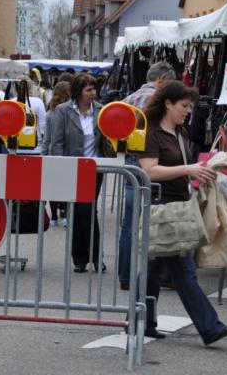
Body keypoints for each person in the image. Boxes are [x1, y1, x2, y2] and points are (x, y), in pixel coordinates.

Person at [139, 80, 227, 344]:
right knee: (183, 272)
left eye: (189, 106)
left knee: (153, 270)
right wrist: (189, 169)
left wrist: (200, 172)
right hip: (161, 208)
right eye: (184, 105)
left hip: (177, 207)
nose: (188, 111)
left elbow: (180, 168)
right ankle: (210, 327)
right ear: (167, 104)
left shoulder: (180, 132)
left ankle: (140, 322)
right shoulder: (151, 133)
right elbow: (149, 171)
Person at [118, 62, 177, 290]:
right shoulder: (160, 102)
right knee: (159, 219)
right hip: (154, 161)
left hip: (130, 162)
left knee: (130, 222)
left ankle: (125, 276)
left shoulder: (128, 100)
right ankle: (160, 274)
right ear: (162, 79)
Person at [47, 73, 109, 273]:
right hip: (71, 168)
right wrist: (59, 167)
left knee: (88, 210)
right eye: (88, 90)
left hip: (94, 168)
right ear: (78, 91)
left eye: (94, 89)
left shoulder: (101, 110)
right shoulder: (63, 111)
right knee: (75, 211)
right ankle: (80, 257)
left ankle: (95, 256)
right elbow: (57, 142)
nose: (93, 93)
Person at [41, 81, 71, 226]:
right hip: (68, 155)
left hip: (52, 154)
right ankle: (65, 214)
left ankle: (53, 217)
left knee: (52, 186)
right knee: (66, 185)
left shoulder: (50, 113)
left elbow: (46, 138)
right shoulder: (71, 112)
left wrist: (43, 155)